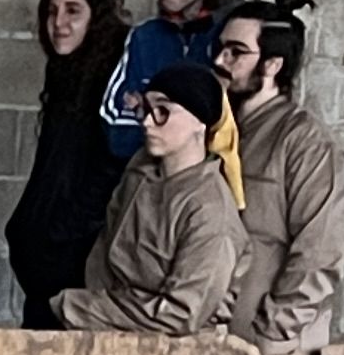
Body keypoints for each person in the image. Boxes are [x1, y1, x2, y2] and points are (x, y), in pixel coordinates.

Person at [57, 63, 244, 338]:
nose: (146, 121)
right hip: (108, 334)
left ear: (199, 122)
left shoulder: (210, 209)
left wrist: (78, 308)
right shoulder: (140, 171)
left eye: (163, 112)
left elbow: (181, 314)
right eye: (145, 109)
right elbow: (103, 256)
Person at [213, 0, 344, 354]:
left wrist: (275, 331)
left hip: (270, 347)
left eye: (236, 52)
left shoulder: (305, 141)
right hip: (213, 341)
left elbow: (321, 247)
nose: (219, 61)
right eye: (220, 48)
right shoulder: (216, 132)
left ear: (273, 64)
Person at [3, 0, 129, 329]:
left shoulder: (109, 80)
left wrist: (59, 232)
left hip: (76, 263)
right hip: (46, 258)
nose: (58, 22)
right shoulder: (64, 73)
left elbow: (108, 170)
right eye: (52, 11)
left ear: (97, 18)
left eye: (73, 11)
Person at [99, 0, 243, 161]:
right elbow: (115, 128)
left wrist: (147, 112)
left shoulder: (230, 41)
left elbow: (232, 133)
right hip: (142, 184)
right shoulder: (146, 37)